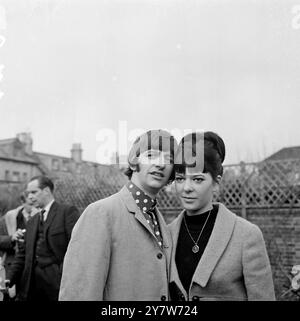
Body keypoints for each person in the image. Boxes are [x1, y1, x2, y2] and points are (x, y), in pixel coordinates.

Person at [59, 129, 178, 300]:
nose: (161, 164)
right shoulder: (100, 213)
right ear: (133, 162)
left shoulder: (160, 221)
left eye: (169, 159)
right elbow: (79, 293)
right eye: (151, 155)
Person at [169, 131, 275, 301]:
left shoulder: (246, 235)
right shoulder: (166, 235)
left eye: (197, 179)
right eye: (180, 179)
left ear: (216, 182)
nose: (186, 187)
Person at [5, 175, 80, 301]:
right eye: (28, 193)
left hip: (57, 284)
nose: (29, 197)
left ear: (46, 191)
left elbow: (76, 249)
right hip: (31, 285)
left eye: (34, 192)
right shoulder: (32, 221)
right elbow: (23, 255)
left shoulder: (67, 212)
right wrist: (9, 279)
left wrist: (61, 274)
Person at [0, 192, 38, 300]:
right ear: (22, 202)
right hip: (11, 267)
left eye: (35, 204)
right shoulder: (8, 218)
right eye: (30, 204)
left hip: (31, 269)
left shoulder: (40, 217)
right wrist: (12, 238)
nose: (34, 207)